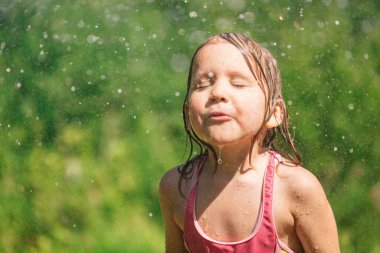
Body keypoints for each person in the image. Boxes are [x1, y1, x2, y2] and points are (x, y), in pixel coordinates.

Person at [159, 32, 340, 253]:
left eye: (237, 83)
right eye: (203, 84)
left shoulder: (295, 189)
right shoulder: (177, 187)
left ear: (274, 113)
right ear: (187, 114)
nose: (217, 92)